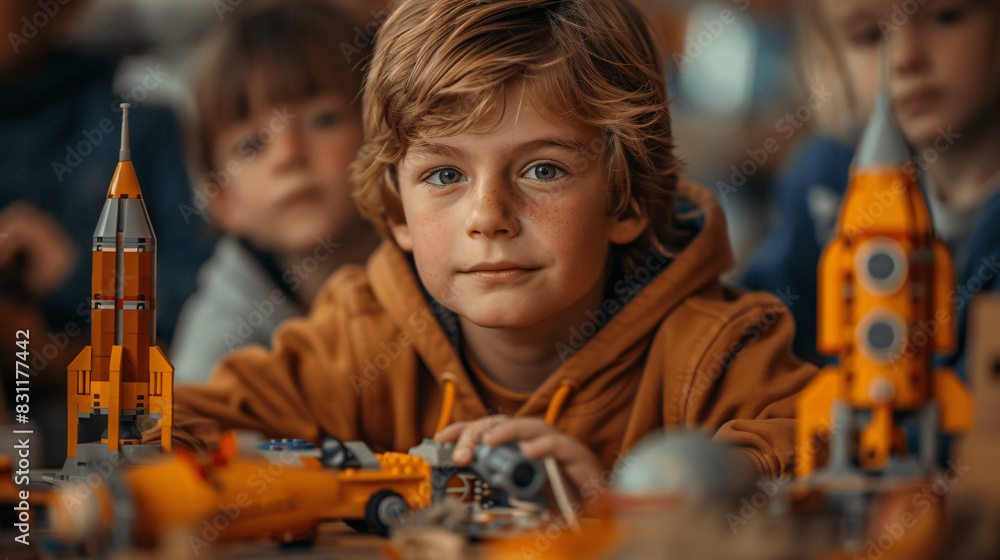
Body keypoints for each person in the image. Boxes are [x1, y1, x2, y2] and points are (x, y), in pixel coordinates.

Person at [146, 0, 816, 495]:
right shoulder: (358, 337)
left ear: (626, 199)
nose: (488, 216)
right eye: (444, 175)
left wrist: (628, 501)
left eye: (543, 170)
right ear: (396, 212)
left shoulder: (719, 350)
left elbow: (817, 450)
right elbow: (180, 427)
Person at [742, 0, 1000, 374]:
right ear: (832, 58)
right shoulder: (828, 183)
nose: (904, 57)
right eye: (869, 36)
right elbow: (754, 344)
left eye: (946, 16)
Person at [168, 0, 382, 384]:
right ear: (224, 201)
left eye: (323, 120)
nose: (288, 155)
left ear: (383, 140)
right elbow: (189, 420)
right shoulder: (231, 310)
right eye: (251, 146)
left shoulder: (435, 271)